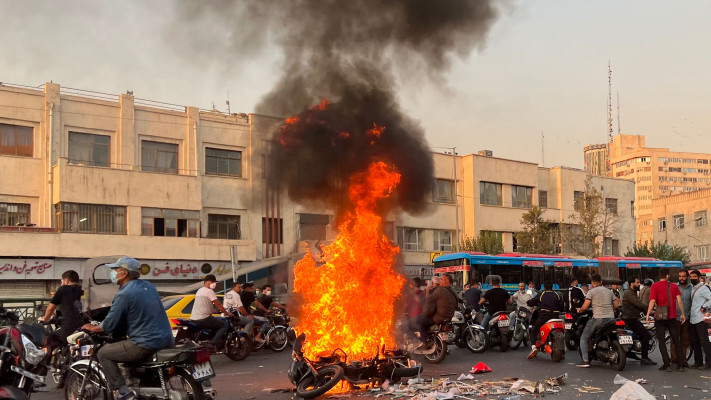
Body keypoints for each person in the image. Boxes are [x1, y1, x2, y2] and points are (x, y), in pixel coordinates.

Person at [80, 257, 173, 400]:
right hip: (166, 339)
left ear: (124, 273)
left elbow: (109, 324)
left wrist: (93, 328)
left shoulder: (125, 293)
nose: (113, 273)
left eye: (115, 270)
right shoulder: (148, 286)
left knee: (104, 353)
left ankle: (123, 393)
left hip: (145, 342)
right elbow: (138, 313)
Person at [646, 268, 686, 372]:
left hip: (659, 317)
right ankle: (681, 365)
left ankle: (667, 365)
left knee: (662, 341)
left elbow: (652, 301)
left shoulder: (654, 286)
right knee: (676, 340)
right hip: (672, 317)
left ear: (659, 276)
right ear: (668, 276)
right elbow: (679, 301)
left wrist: (647, 315)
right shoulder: (674, 286)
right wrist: (682, 314)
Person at [576, 274, 620, 368]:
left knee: (584, 337)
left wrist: (579, 310)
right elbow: (616, 305)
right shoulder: (609, 291)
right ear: (601, 281)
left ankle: (585, 360)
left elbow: (585, 307)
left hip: (598, 319)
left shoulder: (591, 292)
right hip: (611, 318)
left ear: (592, 283)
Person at [412, 273, 458, 348]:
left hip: (438, 317)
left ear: (447, 281)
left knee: (418, 320)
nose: (440, 280)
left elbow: (428, 300)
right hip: (448, 317)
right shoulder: (452, 292)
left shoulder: (441, 290)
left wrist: (427, 290)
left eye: (441, 279)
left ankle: (426, 341)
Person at [190, 275, 233, 348]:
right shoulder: (209, 291)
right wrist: (227, 313)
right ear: (206, 282)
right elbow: (218, 304)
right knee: (223, 325)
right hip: (204, 318)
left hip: (194, 318)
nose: (214, 283)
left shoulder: (199, 290)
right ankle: (213, 343)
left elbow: (203, 304)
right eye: (212, 282)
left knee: (215, 322)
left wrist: (213, 311)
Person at [39, 270, 83, 341]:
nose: (61, 283)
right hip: (82, 325)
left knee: (50, 339)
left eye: (61, 281)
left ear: (66, 280)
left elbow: (51, 307)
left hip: (68, 326)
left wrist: (45, 319)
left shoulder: (63, 289)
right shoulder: (82, 290)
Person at [621, 277, 656, 365]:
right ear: (631, 283)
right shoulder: (629, 293)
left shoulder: (633, 292)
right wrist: (651, 309)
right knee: (646, 336)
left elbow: (637, 306)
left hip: (631, 317)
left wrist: (648, 312)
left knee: (638, 335)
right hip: (630, 318)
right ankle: (644, 358)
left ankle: (631, 351)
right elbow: (639, 304)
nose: (639, 284)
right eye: (637, 282)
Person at [526, 281, 564, 359]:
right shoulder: (557, 294)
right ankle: (562, 350)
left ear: (544, 288)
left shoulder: (542, 294)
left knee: (534, 329)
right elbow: (562, 307)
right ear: (552, 287)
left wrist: (529, 302)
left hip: (544, 316)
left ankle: (533, 348)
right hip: (556, 316)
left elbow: (532, 301)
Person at [688, 270, 711, 369]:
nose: (692, 278)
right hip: (693, 318)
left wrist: (704, 306)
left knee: (704, 342)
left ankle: (709, 363)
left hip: (701, 319)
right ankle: (698, 362)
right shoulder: (693, 288)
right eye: (691, 277)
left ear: (699, 278)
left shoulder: (703, 288)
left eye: (694, 277)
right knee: (695, 342)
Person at [671, 270, 693, 367]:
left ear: (687, 277)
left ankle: (683, 360)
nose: (681, 278)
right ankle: (674, 360)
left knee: (685, 340)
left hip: (687, 318)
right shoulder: (674, 287)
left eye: (683, 276)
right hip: (675, 317)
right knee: (674, 340)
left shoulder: (691, 288)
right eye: (680, 276)